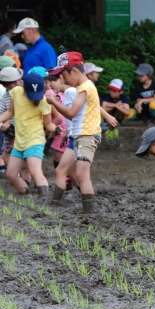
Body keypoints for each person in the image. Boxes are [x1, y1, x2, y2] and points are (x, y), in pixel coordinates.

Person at [46, 52, 117, 213]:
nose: (63, 80)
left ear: (75, 72)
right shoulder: (82, 88)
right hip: (77, 135)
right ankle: (55, 205)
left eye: (64, 75)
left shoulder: (85, 88)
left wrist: (53, 103)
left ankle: (89, 213)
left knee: (81, 174)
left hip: (87, 135)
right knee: (61, 169)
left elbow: (71, 113)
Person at [0, 72, 59, 195]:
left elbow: (48, 124)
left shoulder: (43, 101)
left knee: (35, 171)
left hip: (35, 140)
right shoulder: (16, 93)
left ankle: (44, 200)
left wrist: (55, 129)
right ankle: (27, 196)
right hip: (19, 140)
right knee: (11, 173)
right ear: (23, 87)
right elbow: (10, 112)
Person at [0, 67, 22, 176]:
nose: (17, 83)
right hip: (12, 130)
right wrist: (7, 120)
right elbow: (3, 111)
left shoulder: (25, 93)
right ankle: (16, 175)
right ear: (5, 85)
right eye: (13, 83)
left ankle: (25, 178)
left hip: (24, 129)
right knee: (5, 155)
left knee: (24, 157)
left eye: (17, 80)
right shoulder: (6, 97)